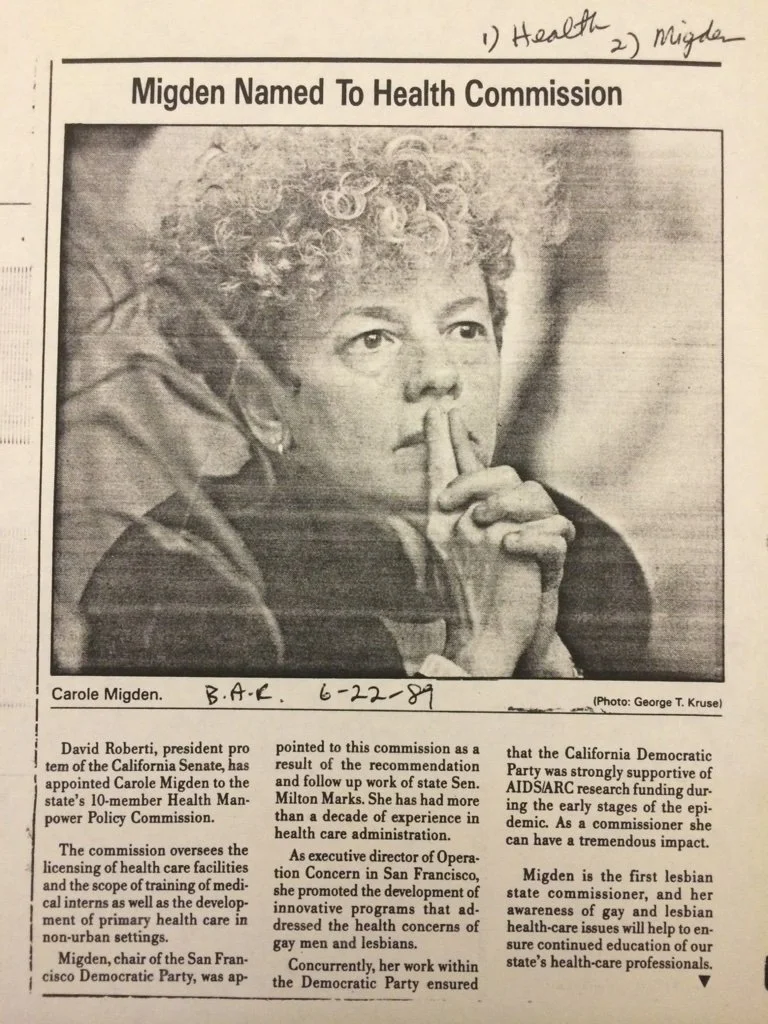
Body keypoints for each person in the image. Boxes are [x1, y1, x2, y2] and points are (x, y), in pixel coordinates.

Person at [73, 127, 650, 678]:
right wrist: (491, 650)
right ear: (266, 406)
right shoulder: (182, 580)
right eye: (373, 338)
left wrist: (549, 659)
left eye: (466, 329)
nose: (440, 375)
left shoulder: (585, 559)